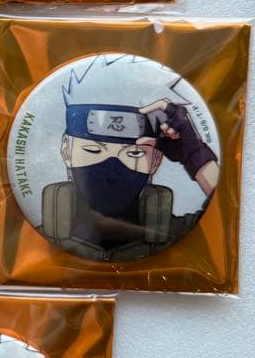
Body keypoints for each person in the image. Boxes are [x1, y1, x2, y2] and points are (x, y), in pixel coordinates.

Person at [40, 54, 219, 261]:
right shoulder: (32, 244)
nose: (112, 167)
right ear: (66, 150)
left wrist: (195, 155)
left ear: (156, 160)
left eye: (134, 153)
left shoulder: (185, 234)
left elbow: (229, 213)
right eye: (92, 150)